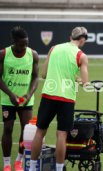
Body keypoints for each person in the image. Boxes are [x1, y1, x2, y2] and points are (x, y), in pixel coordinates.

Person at [29, 26, 89, 171]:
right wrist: (79, 80)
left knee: (40, 131)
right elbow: (85, 83)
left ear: (70, 37)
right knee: (62, 135)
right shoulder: (81, 56)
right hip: (66, 99)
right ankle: (59, 168)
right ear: (82, 40)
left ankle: (31, 168)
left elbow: (43, 74)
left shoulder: (54, 48)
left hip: (48, 95)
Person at [0, 26, 39, 171]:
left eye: (26, 44)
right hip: (8, 99)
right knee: (8, 129)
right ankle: (6, 164)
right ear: (14, 42)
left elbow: (35, 77)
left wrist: (29, 94)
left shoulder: (33, 54)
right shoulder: (4, 54)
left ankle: (19, 161)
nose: (24, 47)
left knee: (26, 130)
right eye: (21, 44)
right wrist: (10, 94)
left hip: (26, 99)